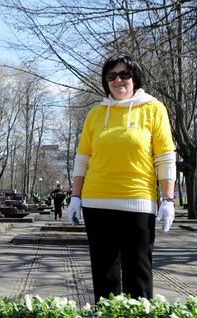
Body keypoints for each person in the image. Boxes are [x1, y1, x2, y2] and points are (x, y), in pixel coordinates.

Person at [67, 54, 176, 303]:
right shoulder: (96, 114)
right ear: (106, 82)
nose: (118, 80)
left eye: (124, 74)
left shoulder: (153, 109)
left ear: (135, 79)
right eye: (112, 76)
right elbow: (82, 158)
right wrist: (75, 196)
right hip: (97, 204)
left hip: (137, 202)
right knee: (105, 274)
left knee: (138, 271)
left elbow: (165, 157)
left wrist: (168, 199)